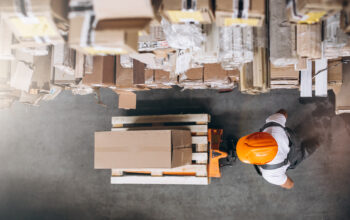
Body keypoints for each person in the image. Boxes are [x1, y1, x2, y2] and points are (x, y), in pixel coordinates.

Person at [236, 109, 307, 189]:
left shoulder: (270, 174)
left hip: (298, 155)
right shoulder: (272, 125)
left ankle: (318, 140)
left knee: (313, 144)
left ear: (259, 161)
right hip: (293, 139)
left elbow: (290, 185)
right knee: (307, 130)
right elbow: (283, 112)